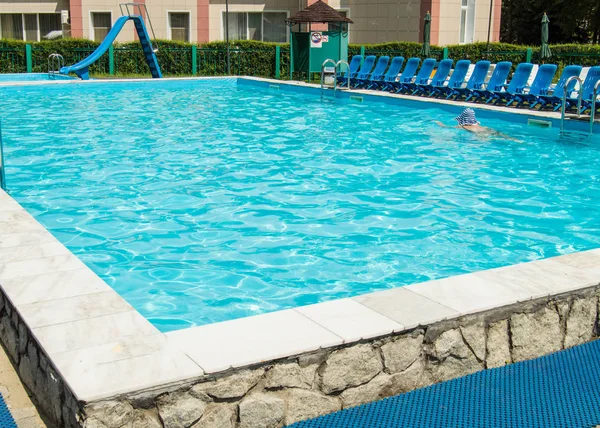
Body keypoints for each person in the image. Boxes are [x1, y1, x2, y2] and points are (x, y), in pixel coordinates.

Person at [435, 108, 516, 140]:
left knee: (484, 141)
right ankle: (515, 140)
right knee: (504, 136)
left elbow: (446, 127)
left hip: (479, 133)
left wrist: (439, 123)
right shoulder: (478, 124)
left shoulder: (462, 126)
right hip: (487, 129)